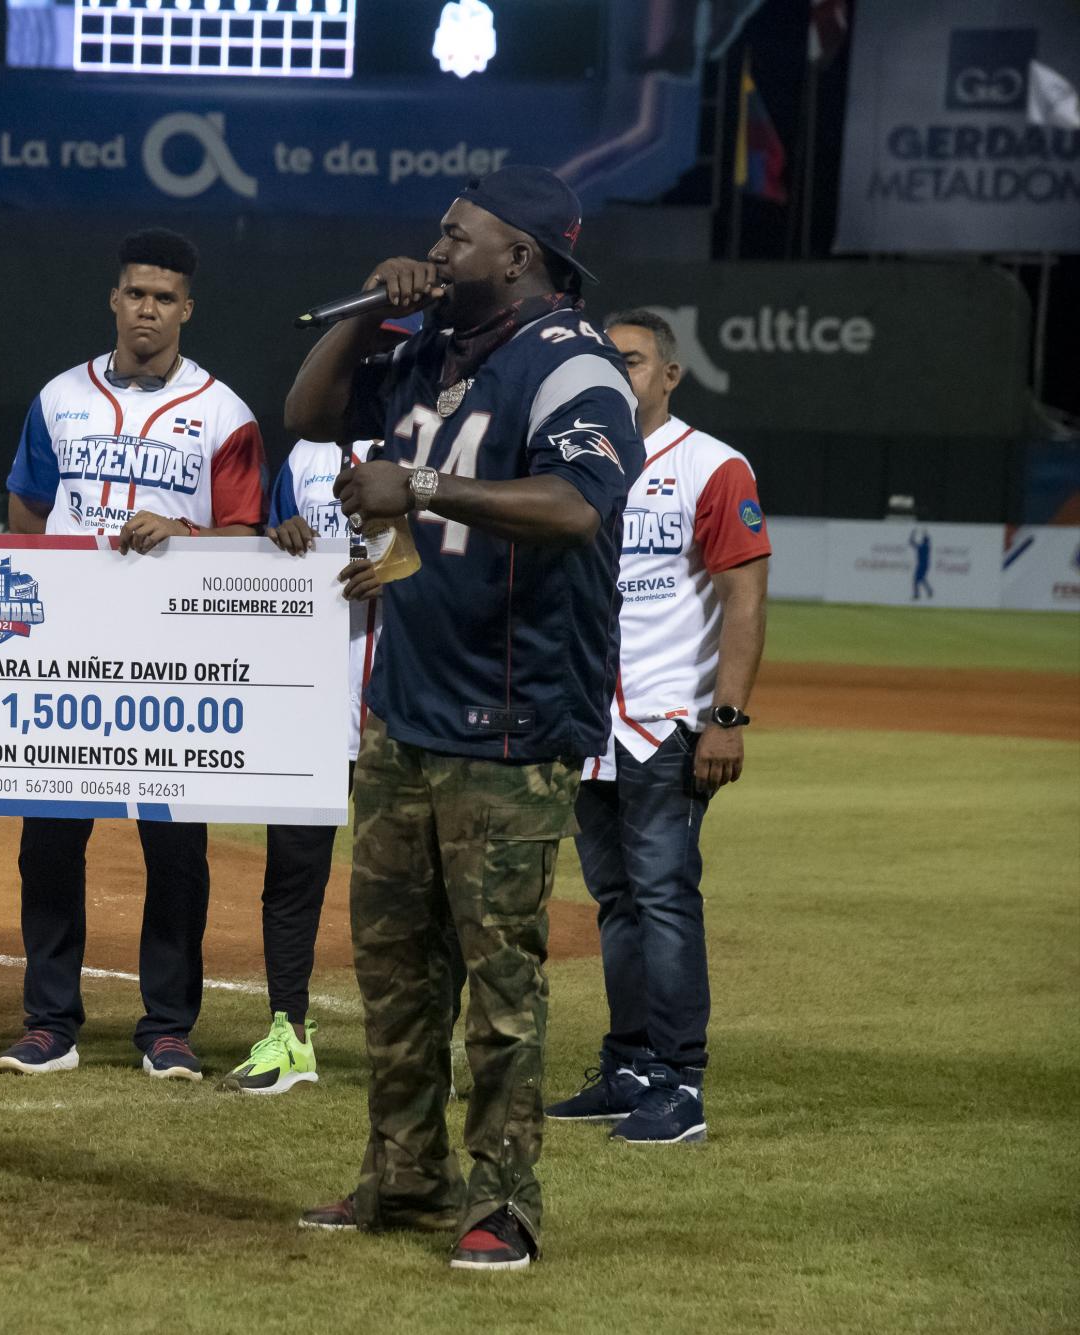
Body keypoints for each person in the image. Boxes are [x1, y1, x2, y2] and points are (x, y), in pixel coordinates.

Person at [284, 166, 641, 1270]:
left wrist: (423, 490)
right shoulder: (428, 354)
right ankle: (402, 1175)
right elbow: (304, 413)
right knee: (393, 972)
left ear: (518, 254)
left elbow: (576, 508)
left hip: (510, 722)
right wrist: (365, 312)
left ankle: (503, 1203)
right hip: (403, 710)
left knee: (498, 985)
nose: (435, 251)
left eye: (455, 236)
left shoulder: (573, 366)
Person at [0, 227, 265, 1082]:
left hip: (174, 654)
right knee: (49, 839)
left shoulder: (224, 411)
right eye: (135, 293)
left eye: (165, 297)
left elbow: (249, 536)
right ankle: (48, 1022)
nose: (148, 308)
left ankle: (168, 1026)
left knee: (176, 846)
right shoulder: (59, 397)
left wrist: (186, 532)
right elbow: (28, 508)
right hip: (71, 651)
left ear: (187, 308)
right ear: (114, 299)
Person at [544, 308, 769, 1145]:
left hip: (667, 718)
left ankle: (680, 1082)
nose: (617, 373)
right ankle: (629, 1065)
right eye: (606, 360)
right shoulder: (575, 465)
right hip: (584, 719)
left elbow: (744, 593)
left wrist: (727, 718)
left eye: (632, 360)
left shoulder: (711, 466)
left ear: (670, 375)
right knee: (615, 902)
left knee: (665, 899)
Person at [219, 435, 391, 1096]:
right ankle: (287, 1038)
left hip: (403, 703)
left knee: (412, 890)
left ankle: (420, 1049)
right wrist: (276, 533)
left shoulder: (432, 436)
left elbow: (469, 556)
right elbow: (266, 551)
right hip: (310, 702)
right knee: (291, 877)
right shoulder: (307, 454)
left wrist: (401, 567)